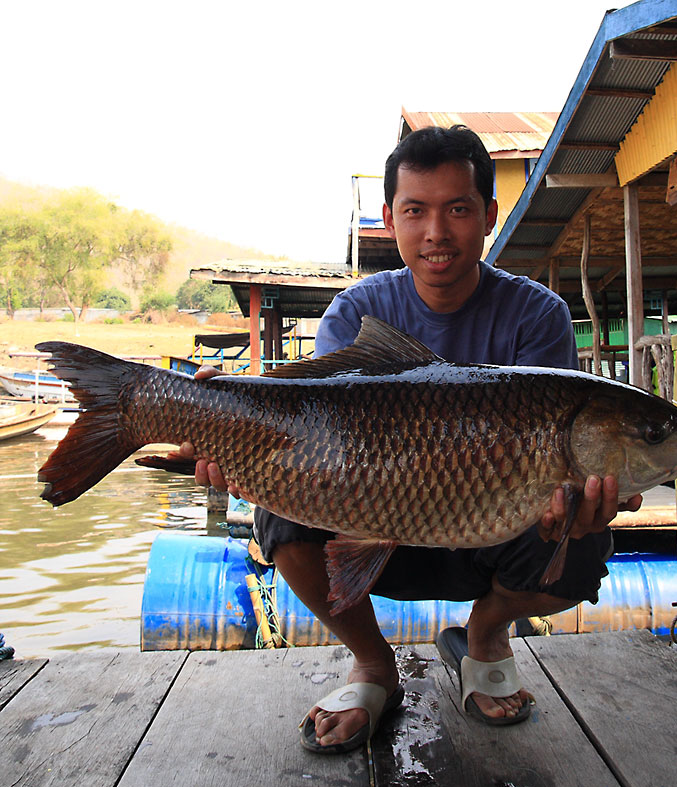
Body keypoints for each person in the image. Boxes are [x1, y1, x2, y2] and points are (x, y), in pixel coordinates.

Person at [183, 125, 642, 753]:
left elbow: (558, 459)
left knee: (582, 547)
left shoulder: (538, 315)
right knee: (280, 520)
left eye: (457, 209)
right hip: (372, 516)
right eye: (415, 211)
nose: (436, 232)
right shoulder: (354, 314)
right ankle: (373, 665)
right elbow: (317, 439)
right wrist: (227, 436)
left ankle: (483, 635)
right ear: (389, 218)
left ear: (487, 216)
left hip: (495, 529)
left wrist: (576, 505)